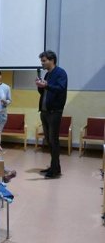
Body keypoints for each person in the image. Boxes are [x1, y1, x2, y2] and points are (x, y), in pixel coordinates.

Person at [36, 50, 68, 179]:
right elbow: (44, 92)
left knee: (54, 141)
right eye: (42, 61)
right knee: (49, 140)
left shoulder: (61, 73)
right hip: (44, 111)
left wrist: (47, 85)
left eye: (44, 61)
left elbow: (60, 89)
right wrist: (40, 85)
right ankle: (55, 166)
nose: (42, 63)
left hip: (54, 112)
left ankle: (54, 170)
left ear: (51, 60)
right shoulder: (48, 74)